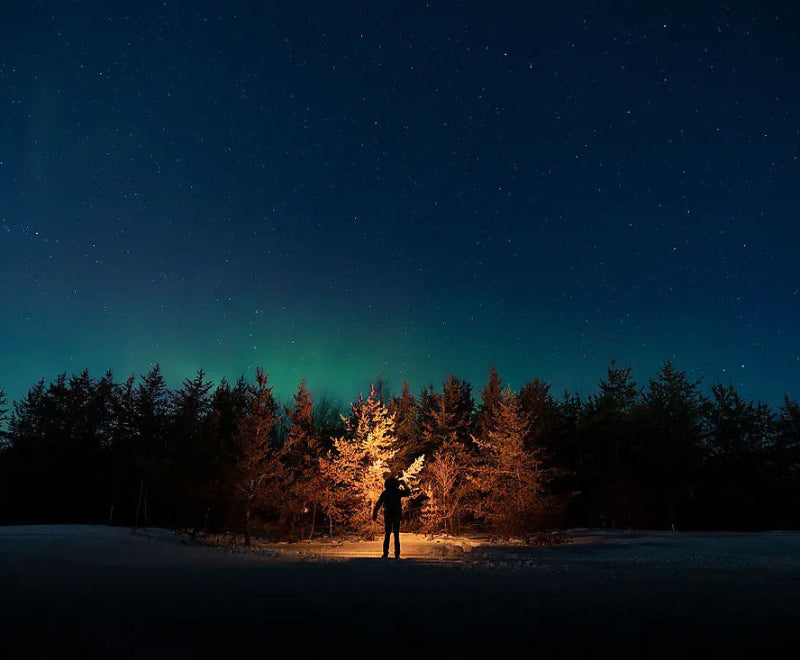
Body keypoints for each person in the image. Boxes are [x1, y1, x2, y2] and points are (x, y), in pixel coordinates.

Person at [372, 476, 411, 559]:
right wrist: (404, 484)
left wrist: (375, 513)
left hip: (388, 515)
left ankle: (385, 553)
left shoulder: (385, 493)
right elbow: (408, 492)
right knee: (396, 535)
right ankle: (397, 554)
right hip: (396, 515)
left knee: (387, 535)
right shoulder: (397, 492)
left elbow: (378, 504)